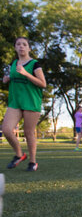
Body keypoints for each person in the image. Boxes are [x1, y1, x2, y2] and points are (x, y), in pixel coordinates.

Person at [2, 37, 47, 171]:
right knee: (6, 130)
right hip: (15, 101)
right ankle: (19, 154)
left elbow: (43, 84)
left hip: (31, 101)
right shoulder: (13, 63)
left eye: (24, 44)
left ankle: (32, 162)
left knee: (28, 133)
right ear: (15, 47)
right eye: (18, 44)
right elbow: (11, 76)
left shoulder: (34, 64)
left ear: (29, 48)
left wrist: (26, 74)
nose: (21, 46)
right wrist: (7, 78)